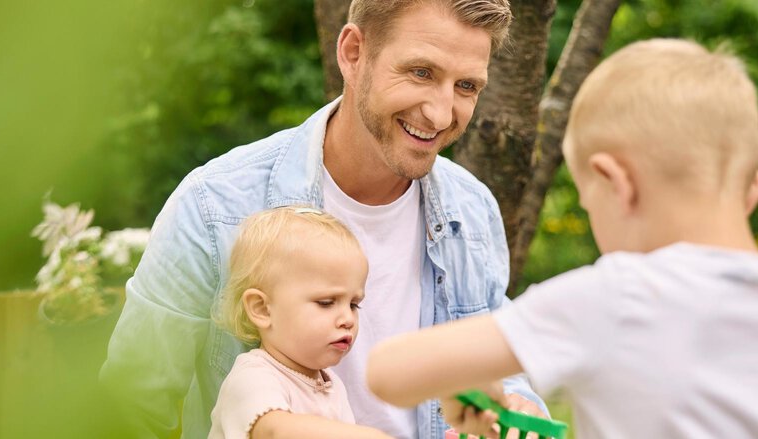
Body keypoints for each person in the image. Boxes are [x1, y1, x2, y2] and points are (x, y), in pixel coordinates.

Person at [366, 39, 758, 439]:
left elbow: (389, 371)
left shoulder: (617, 297)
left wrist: (463, 382)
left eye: (589, 204)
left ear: (615, 184)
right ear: (752, 190)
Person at [100, 1, 547, 438]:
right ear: (353, 54)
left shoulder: (472, 209)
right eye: (421, 72)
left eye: (467, 86)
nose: (441, 113)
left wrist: (514, 407)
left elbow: (498, 369)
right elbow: (130, 411)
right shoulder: (214, 205)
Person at [208, 207, 389, 439]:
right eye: (326, 302)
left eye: (354, 304)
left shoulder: (332, 385)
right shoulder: (253, 377)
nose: (347, 319)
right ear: (262, 309)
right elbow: (274, 431)